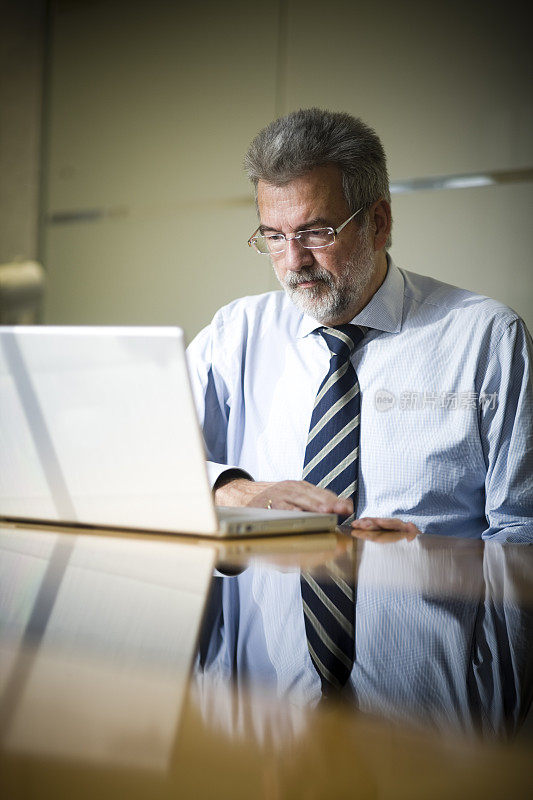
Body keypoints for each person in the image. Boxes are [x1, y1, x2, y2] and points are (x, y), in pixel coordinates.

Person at [187, 108, 533, 542]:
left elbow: (523, 530)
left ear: (378, 223)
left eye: (317, 232)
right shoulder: (234, 334)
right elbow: (138, 462)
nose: (294, 261)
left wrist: (431, 560)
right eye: (274, 236)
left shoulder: (487, 339)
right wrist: (233, 491)